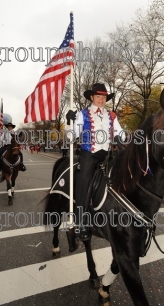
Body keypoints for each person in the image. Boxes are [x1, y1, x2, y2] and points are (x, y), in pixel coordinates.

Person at [66, 83, 124, 241]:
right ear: (92, 97)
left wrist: (120, 137)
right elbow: (71, 136)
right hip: (88, 154)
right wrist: (69, 123)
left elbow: (120, 132)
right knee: (84, 179)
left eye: (104, 97)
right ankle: (80, 220)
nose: (101, 99)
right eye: (98, 96)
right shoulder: (83, 114)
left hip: (107, 154)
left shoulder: (111, 115)